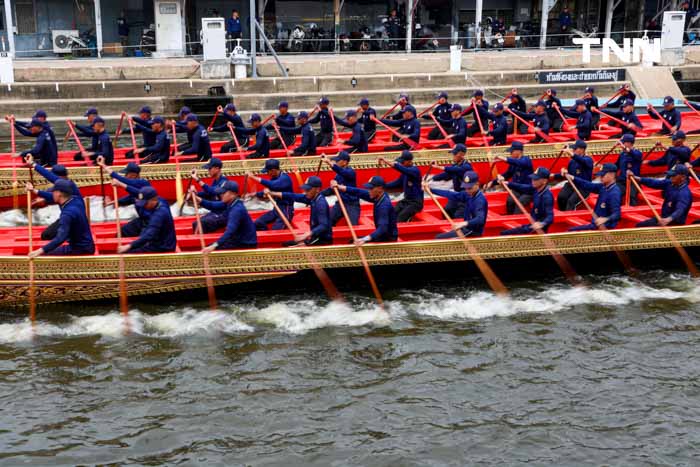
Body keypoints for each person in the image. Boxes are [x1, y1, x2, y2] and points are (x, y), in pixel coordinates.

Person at [26, 179, 94, 257]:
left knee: (44, 256)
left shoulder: (67, 214)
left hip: (79, 249)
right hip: (88, 245)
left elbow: (60, 238)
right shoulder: (77, 199)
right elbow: (51, 196)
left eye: (53, 191)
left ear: (59, 194)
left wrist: (40, 251)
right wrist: (34, 190)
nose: (52, 194)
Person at [25, 158, 84, 240]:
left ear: (60, 177)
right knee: (46, 234)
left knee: (46, 236)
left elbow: (49, 177)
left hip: (73, 220)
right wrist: (35, 191)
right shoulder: (62, 185)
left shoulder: (69, 186)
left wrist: (33, 164)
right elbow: (52, 194)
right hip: (68, 217)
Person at [267, 176, 332, 247]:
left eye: (308, 190)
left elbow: (324, 225)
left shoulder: (321, 204)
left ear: (317, 189)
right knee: (286, 243)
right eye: (305, 189)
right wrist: (272, 193)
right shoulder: (312, 198)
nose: (305, 192)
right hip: (314, 238)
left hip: (321, 240)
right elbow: (293, 196)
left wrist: (306, 235)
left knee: (289, 247)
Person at [193, 181, 258, 252]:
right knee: (210, 246)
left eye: (224, 193)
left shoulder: (237, 210)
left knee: (212, 249)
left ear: (233, 194)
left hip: (246, 244)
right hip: (238, 239)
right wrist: (198, 199)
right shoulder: (230, 202)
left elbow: (230, 231)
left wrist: (214, 245)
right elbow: (212, 205)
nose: (221, 195)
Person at [331, 176, 398, 244]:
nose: (369, 191)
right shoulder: (379, 195)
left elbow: (382, 228)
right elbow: (358, 192)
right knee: (352, 241)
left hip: (388, 239)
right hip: (382, 236)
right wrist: (340, 187)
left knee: (353, 242)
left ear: (380, 189)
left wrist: (365, 239)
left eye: (371, 188)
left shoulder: (384, 206)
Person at [100, 160, 153, 237]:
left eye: (126, 174)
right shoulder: (136, 185)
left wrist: (104, 166)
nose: (124, 176)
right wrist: (110, 203)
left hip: (152, 221)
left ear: (133, 175)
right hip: (143, 220)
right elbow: (128, 199)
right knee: (121, 233)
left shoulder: (141, 183)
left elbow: (121, 180)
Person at [428, 171, 487, 239]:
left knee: (438, 238)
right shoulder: (467, 194)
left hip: (472, 232)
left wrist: (464, 223)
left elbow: (480, 219)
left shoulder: (480, 200)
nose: (467, 190)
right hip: (465, 228)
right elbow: (451, 194)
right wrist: (432, 190)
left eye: (469, 188)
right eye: (466, 188)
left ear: (477, 184)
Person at [117, 186, 176, 253]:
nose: (143, 206)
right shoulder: (156, 206)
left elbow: (149, 235)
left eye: (145, 203)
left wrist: (129, 246)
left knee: (128, 254)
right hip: (159, 242)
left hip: (162, 247)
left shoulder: (159, 214)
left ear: (153, 200)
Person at [564, 163, 621, 231]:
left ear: (612, 175)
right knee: (570, 230)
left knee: (571, 231)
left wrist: (605, 219)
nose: (600, 177)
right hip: (595, 225)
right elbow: (588, 185)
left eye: (603, 175)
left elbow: (617, 214)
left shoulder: (614, 193)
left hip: (604, 228)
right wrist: (573, 178)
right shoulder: (603, 187)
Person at [500, 167, 554, 235]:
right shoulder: (535, 189)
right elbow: (521, 186)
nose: (533, 180)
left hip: (538, 229)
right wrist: (507, 183)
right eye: (533, 178)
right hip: (532, 224)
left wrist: (542, 223)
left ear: (544, 181)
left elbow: (550, 217)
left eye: (536, 179)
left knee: (505, 234)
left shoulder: (547, 197)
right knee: (504, 233)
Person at [247, 159, 294, 230]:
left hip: (286, 210)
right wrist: (254, 194)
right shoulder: (274, 178)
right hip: (277, 208)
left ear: (273, 170)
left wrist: (253, 177)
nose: (267, 174)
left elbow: (273, 185)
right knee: (258, 223)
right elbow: (268, 191)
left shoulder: (285, 178)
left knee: (276, 230)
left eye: (268, 171)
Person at [429, 144, 472, 218]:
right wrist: (430, 179)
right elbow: (445, 175)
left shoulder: (467, 167)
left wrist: (439, 167)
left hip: (465, 197)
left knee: (459, 216)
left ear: (461, 154)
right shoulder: (455, 165)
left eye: (455, 154)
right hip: (456, 195)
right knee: (446, 210)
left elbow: (455, 170)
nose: (453, 156)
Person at [490, 141, 534, 214]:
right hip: (517, 189)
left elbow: (520, 163)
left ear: (518, 151)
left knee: (519, 203)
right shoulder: (513, 164)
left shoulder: (526, 160)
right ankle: (510, 216)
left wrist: (503, 158)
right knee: (510, 201)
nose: (510, 153)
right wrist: (493, 182)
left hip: (527, 191)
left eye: (512, 151)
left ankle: (517, 221)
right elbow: (507, 175)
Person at [380, 150, 423, 222]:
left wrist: (385, 161)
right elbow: (397, 183)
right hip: (406, 200)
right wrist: (383, 186)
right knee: (392, 213)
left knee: (400, 218)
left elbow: (400, 168)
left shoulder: (414, 171)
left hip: (416, 203)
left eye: (403, 161)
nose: (401, 163)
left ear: (409, 161)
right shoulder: (405, 173)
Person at [552, 140, 593, 211]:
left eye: (575, 149)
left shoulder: (588, 160)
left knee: (571, 202)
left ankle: (569, 213)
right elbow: (568, 175)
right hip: (571, 185)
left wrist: (571, 154)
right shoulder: (572, 161)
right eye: (573, 148)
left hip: (583, 187)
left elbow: (581, 161)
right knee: (561, 197)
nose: (573, 150)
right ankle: (563, 214)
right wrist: (553, 176)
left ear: (582, 150)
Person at [320, 151, 360, 226]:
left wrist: (329, 162)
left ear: (345, 162)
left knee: (354, 227)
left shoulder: (351, 172)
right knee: (328, 223)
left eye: (338, 161)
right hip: (341, 203)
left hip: (352, 204)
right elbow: (332, 190)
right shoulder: (338, 176)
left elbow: (341, 171)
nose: (336, 162)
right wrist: (318, 194)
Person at [614, 134, 642, 206]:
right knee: (615, 193)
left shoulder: (638, 153)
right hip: (622, 181)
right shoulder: (622, 154)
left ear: (629, 143)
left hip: (633, 181)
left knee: (632, 197)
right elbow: (616, 166)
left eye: (624, 142)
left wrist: (626, 149)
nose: (622, 144)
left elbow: (633, 154)